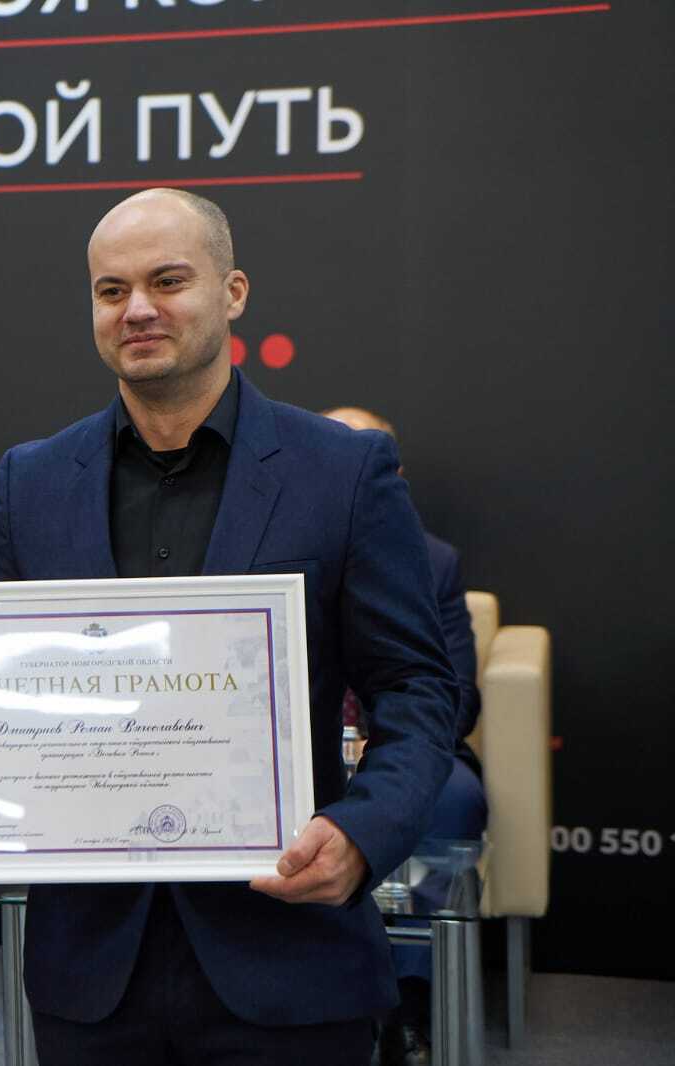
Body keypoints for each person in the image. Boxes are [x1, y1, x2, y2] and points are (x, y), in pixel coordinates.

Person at [0, 188, 458, 1064]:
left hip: (289, 963)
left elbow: (417, 688)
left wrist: (363, 834)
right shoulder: (32, 482)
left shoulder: (343, 471)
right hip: (90, 980)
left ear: (234, 292)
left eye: (167, 281)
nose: (137, 309)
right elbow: (0, 698)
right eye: (111, 290)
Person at [324, 405, 489, 1066]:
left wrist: (393, 743)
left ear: (392, 475)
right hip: (301, 750)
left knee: (451, 796)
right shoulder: (272, 550)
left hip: (403, 746)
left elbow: (455, 692)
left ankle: (409, 1005)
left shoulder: (434, 561)